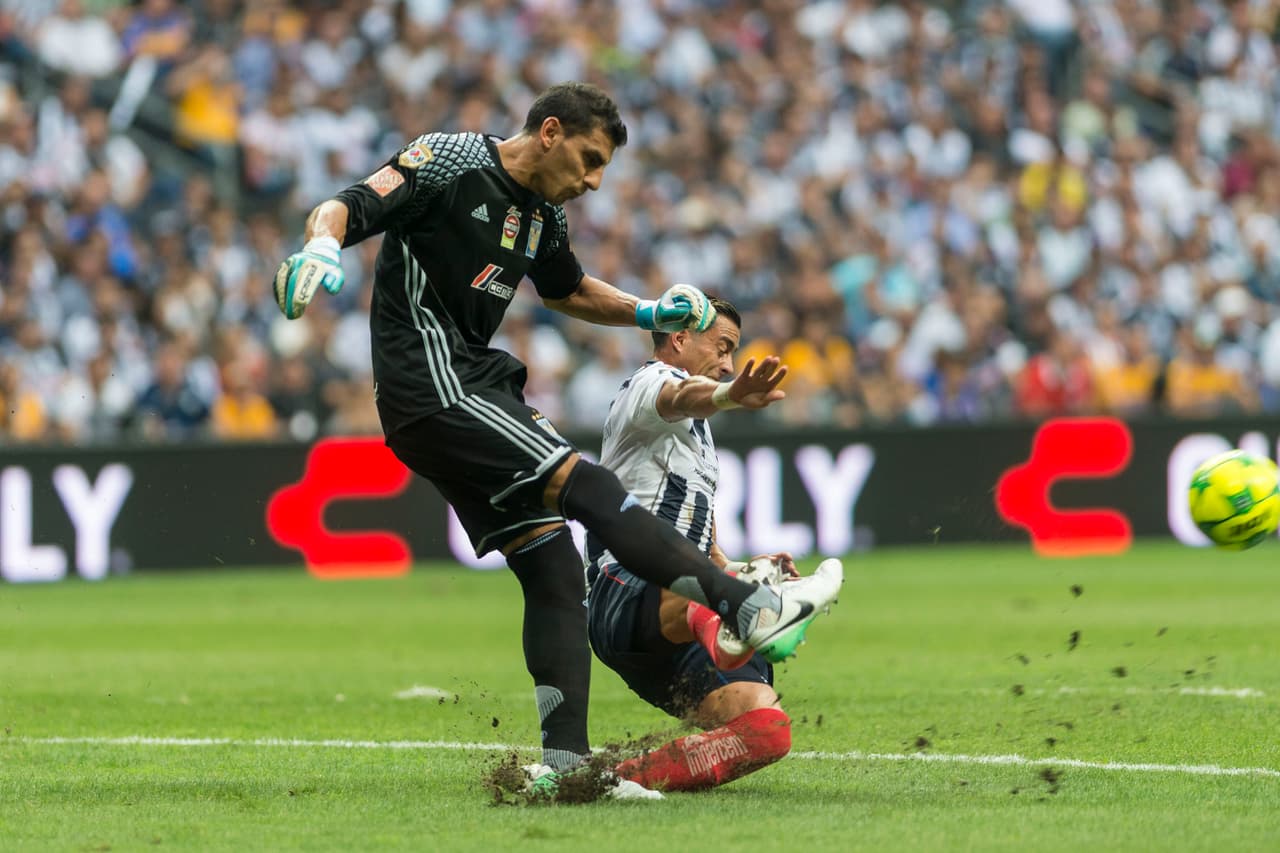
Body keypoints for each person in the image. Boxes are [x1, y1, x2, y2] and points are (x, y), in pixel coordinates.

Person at [271, 82, 841, 785]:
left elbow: (567, 289)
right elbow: (352, 203)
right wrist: (322, 245)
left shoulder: (542, 215)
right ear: (549, 132)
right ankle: (743, 604)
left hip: (476, 379)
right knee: (587, 484)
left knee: (552, 566)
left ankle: (566, 768)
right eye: (590, 160)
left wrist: (648, 310)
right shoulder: (450, 159)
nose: (594, 182)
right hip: (435, 380)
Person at [584, 296, 843, 792]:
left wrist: (738, 567)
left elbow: (705, 543)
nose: (728, 363)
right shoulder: (648, 385)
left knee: (765, 733)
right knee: (717, 591)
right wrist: (728, 393)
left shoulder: (697, 439)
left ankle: (609, 782)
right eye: (722, 348)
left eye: (732, 353)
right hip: (627, 589)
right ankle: (745, 615)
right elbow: (682, 397)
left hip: (675, 620)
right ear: (679, 339)